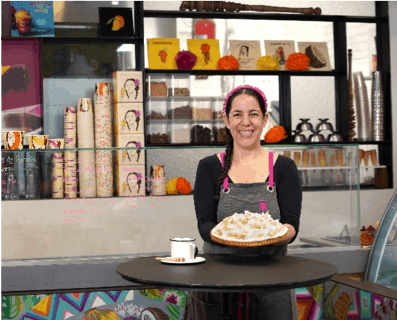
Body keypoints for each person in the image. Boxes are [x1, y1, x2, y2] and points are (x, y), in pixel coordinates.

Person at [186, 85, 302, 320]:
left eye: (253, 114)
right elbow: (205, 224)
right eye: (237, 114)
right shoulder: (209, 167)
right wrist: (235, 236)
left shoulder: (284, 168)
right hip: (220, 280)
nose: (245, 122)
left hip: (274, 280)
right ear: (226, 120)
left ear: (265, 119)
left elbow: (291, 225)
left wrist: (275, 234)